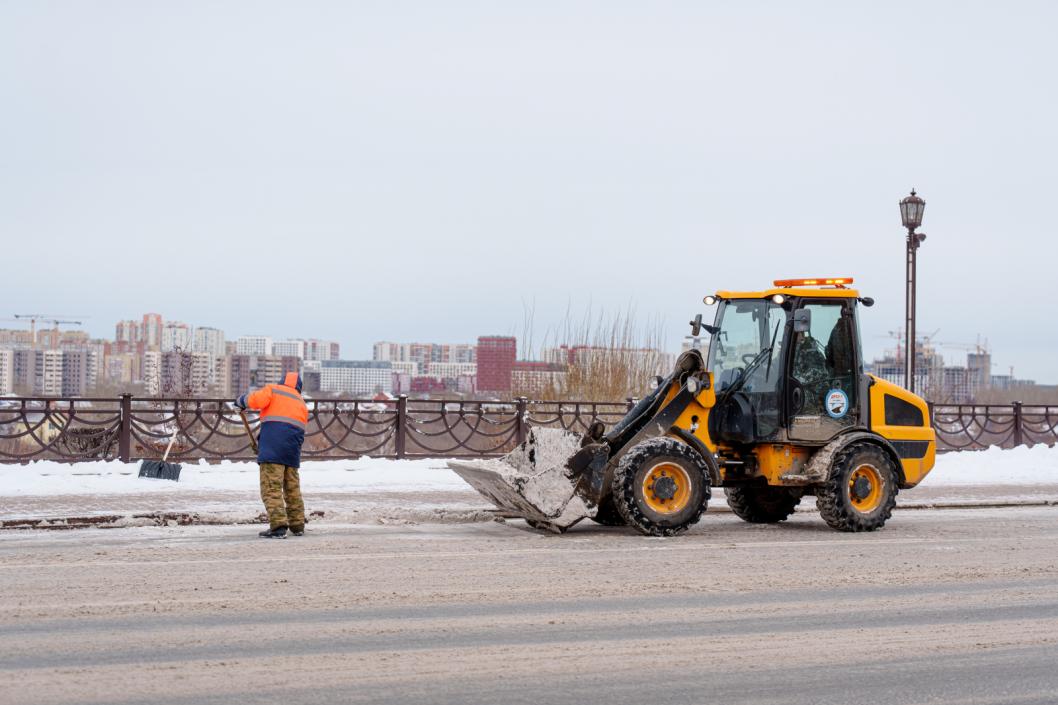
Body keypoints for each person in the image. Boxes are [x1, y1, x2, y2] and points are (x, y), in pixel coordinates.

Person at [235, 372, 308, 539]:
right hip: (292, 451)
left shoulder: (274, 390)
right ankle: (297, 525)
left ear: (282, 381)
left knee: (271, 487)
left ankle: (278, 526)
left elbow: (255, 400)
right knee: (292, 488)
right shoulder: (301, 402)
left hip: (273, 450)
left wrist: (240, 401)